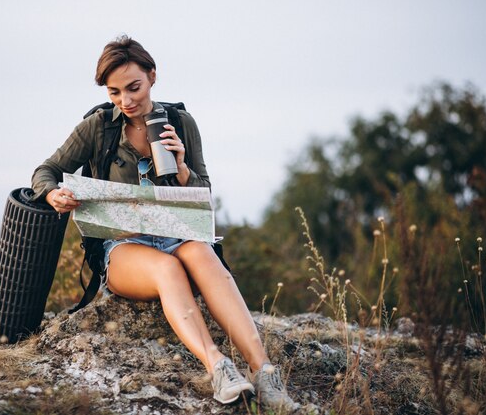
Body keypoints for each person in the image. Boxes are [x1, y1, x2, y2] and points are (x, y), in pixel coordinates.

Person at [31, 35, 296, 412]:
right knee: (168, 268)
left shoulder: (180, 122)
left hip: (176, 234)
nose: (126, 100)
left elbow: (204, 194)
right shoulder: (98, 127)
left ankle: (266, 374)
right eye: (115, 92)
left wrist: (183, 167)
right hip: (123, 249)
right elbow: (46, 170)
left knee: (205, 256)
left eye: (134, 87)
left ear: (153, 76)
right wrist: (52, 193)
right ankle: (219, 369)